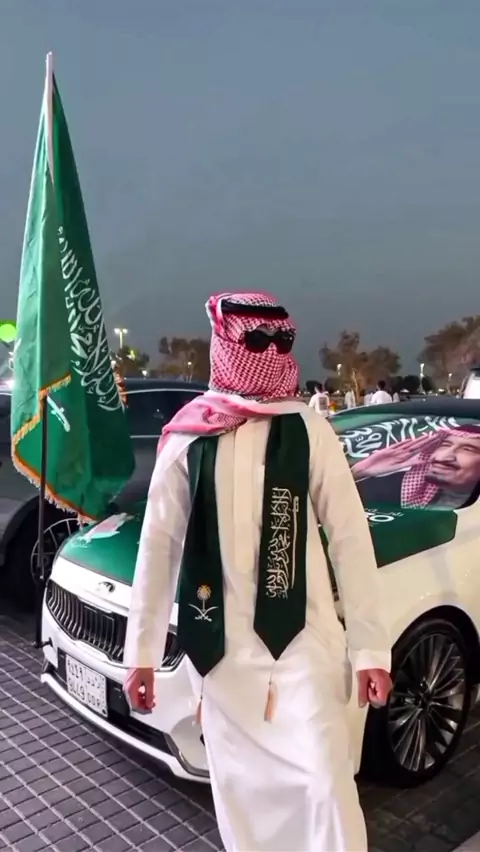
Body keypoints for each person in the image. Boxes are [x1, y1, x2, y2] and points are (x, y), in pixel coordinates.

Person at [123, 292, 392, 852]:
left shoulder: (308, 429)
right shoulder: (189, 437)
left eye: (281, 341)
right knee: (242, 799)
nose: (271, 353)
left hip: (304, 645)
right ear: (226, 346)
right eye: (257, 341)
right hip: (222, 656)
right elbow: (158, 547)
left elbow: (349, 538)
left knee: (326, 784)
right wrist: (141, 654)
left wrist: (370, 649)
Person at [352, 425, 480, 509]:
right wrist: (358, 472)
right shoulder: (389, 487)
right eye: (445, 445)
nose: (444, 456)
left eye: (467, 449)